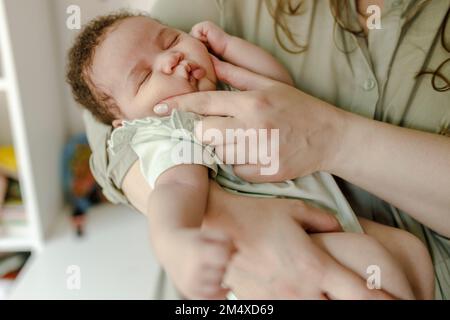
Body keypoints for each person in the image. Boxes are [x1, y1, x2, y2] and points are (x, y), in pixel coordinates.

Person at [80, 0, 450, 299]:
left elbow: (280, 87)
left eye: (171, 41)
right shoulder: (170, 130)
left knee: (409, 256)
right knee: (375, 265)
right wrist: (174, 241)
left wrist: (226, 50)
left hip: (334, 227)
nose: (170, 59)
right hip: (305, 242)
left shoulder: (223, 84)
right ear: (126, 124)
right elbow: (176, 188)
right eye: (145, 77)